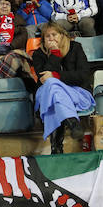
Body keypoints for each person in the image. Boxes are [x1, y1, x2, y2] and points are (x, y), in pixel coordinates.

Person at [31, 22, 94, 154]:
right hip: (47, 93)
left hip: (76, 93)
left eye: (54, 34)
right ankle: (72, 122)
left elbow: (83, 75)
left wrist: (56, 76)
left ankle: (56, 147)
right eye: (47, 36)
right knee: (52, 88)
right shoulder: (38, 54)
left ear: (62, 35)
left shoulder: (75, 48)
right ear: (43, 40)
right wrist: (54, 54)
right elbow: (43, 79)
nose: (51, 38)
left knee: (53, 88)